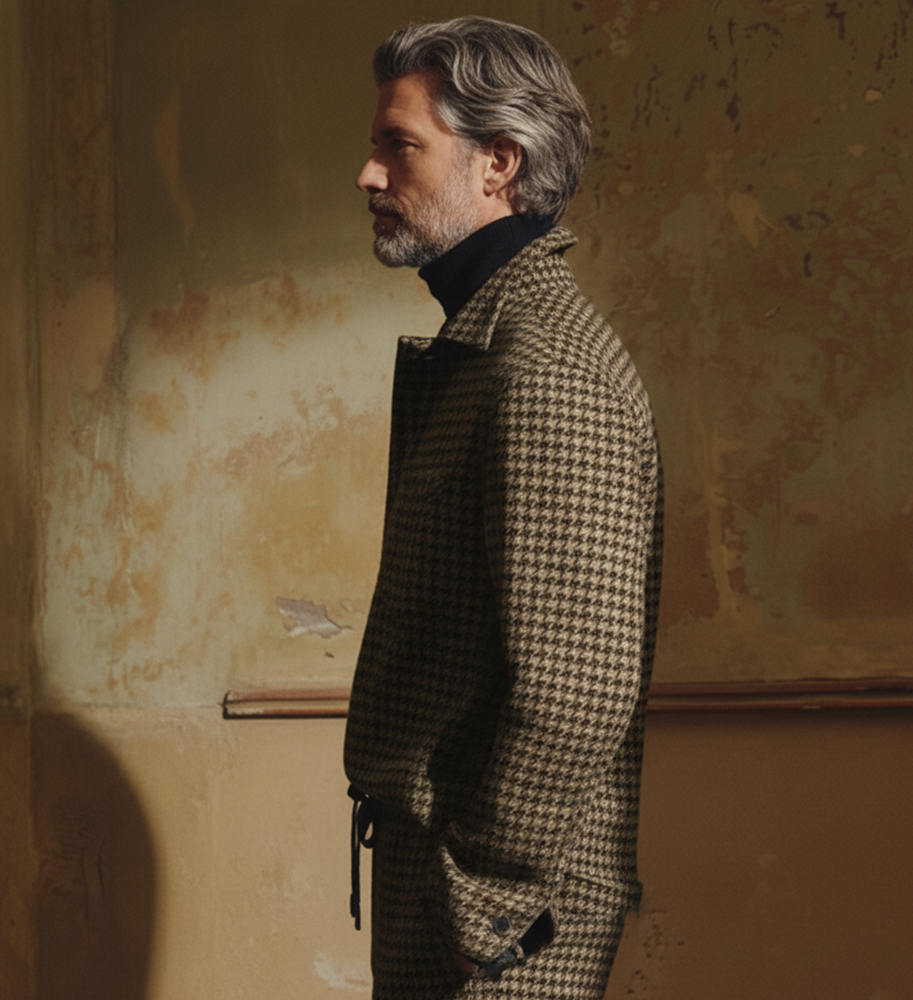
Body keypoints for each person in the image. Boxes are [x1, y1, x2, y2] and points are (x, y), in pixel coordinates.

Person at [343, 16, 663, 1000]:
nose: (367, 173)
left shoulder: (547, 369)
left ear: (499, 164)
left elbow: (574, 688)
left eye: (399, 144)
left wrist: (484, 903)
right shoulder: (495, 345)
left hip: (501, 923)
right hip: (461, 891)